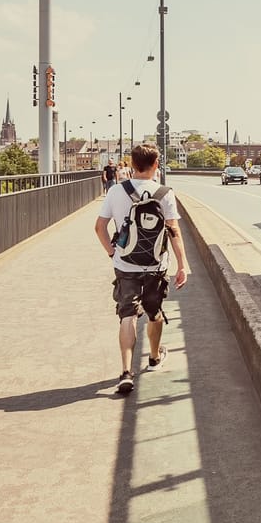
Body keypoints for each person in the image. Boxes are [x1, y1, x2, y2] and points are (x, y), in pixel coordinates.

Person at [93, 143, 187, 395]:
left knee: (128, 315)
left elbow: (99, 228)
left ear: (132, 165)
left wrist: (113, 254)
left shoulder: (116, 191)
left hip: (125, 264)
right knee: (154, 312)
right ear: (156, 165)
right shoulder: (165, 192)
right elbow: (174, 231)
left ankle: (126, 371)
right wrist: (182, 265)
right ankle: (154, 357)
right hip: (156, 265)